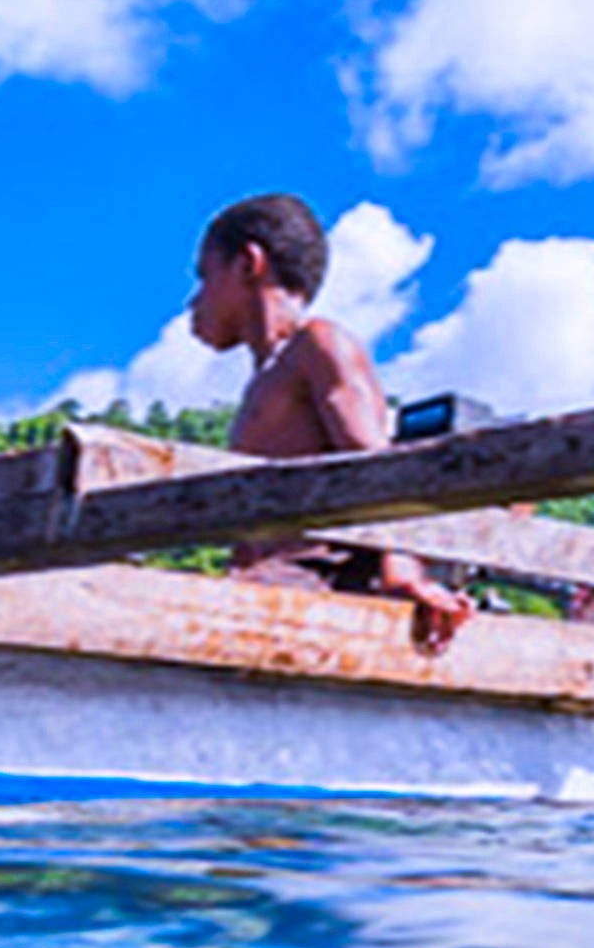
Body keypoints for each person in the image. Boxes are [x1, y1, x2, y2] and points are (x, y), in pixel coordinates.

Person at [189, 193, 466, 651]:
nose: (195, 301)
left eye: (204, 278)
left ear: (248, 263)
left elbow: (374, 462)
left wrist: (401, 575)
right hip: (263, 583)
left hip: (315, 577)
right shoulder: (265, 378)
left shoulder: (318, 345)